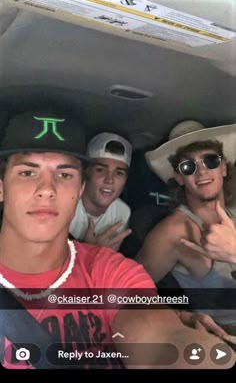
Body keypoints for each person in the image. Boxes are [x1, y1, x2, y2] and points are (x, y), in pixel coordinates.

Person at [0, 112, 232, 370]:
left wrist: (179, 325)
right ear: (1, 186)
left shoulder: (111, 266)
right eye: (28, 172)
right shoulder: (172, 230)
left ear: (78, 188)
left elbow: (159, 335)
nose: (47, 188)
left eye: (64, 174)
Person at [137, 120, 236, 332]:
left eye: (210, 161)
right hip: (225, 335)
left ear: (224, 169)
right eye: (188, 166)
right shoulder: (174, 231)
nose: (201, 172)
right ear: (180, 178)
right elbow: (126, 293)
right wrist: (178, 317)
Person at [69, 132, 132, 251]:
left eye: (119, 173)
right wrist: (91, 250)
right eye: (100, 170)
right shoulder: (66, 204)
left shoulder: (122, 212)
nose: (109, 179)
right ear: (86, 172)